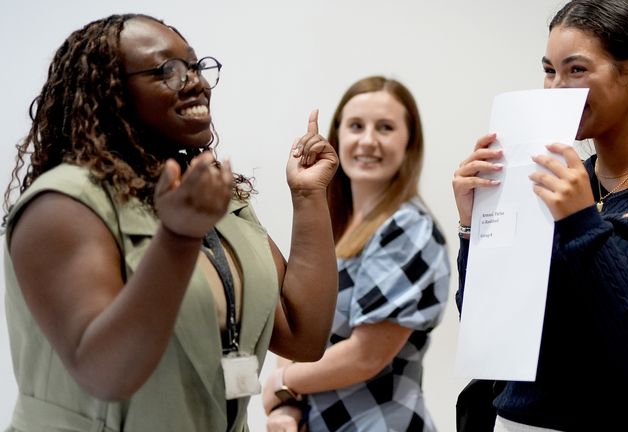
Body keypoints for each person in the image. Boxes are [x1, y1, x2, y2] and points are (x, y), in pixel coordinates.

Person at [2, 13, 339, 431]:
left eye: (197, 67)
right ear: (110, 93)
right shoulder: (62, 204)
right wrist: (178, 238)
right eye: (169, 71)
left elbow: (303, 336)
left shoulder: (208, 190)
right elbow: (105, 373)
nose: (195, 81)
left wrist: (309, 197)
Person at [452, 1, 628, 431]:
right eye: (549, 70)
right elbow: (489, 332)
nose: (555, 89)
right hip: (518, 420)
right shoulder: (556, 181)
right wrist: (473, 226)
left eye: (577, 70)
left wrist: (582, 222)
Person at [262, 76, 450, 431]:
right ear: (337, 136)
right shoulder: (332, 228)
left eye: (385, 127)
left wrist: (283, 384)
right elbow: (298, 319)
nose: (367, 140)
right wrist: (285, 407)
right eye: (356, 126)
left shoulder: (409, 229)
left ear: (409, 142)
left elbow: (366, 356)